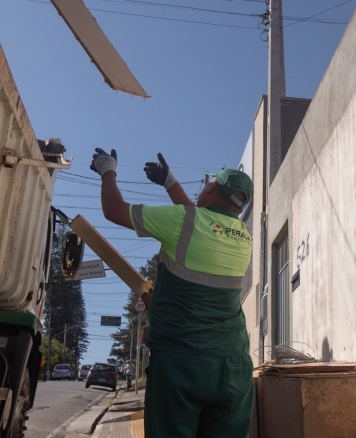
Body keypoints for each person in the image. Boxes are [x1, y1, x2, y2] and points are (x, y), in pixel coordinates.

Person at [90, 148, 254, 438]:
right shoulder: (243, 236)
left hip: (181, 364)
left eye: (209, 182)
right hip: (233, 367)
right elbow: (198, 219)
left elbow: (114, 211)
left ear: (213, 186)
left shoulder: (181, 222)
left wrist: (107, 170)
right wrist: (169, 181)